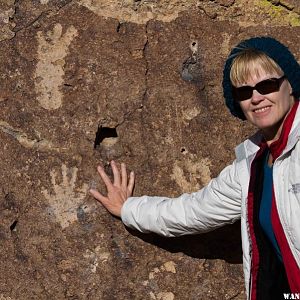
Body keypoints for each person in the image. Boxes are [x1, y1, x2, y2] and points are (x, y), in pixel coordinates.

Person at [89, 36, 300, 299]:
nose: (256, 98)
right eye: (244, 92)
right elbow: (192, 211)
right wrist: (127, 208)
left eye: (266, 85)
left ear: (290, 84)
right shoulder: (251, 165)